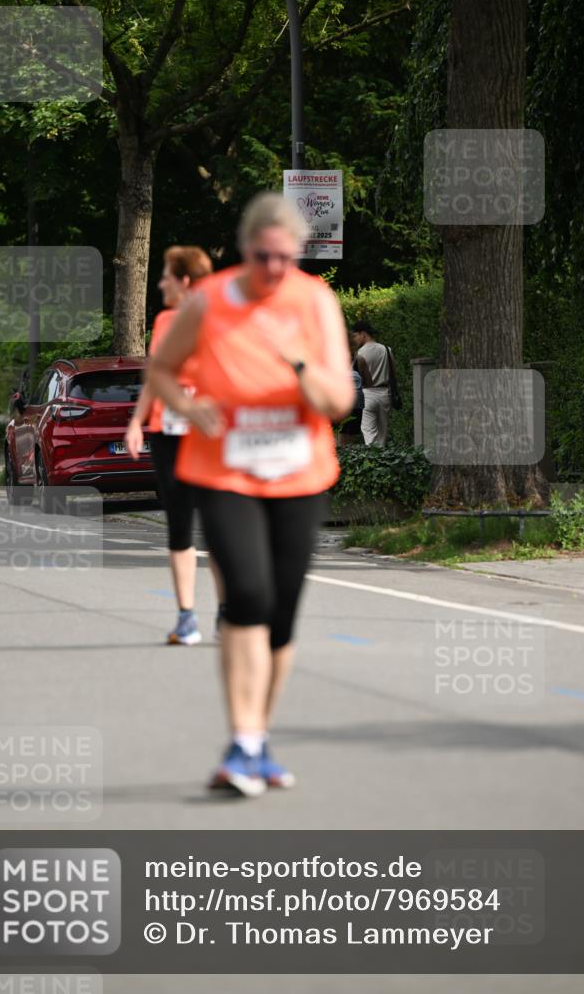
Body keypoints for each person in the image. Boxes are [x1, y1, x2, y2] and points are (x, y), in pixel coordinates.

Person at [147, 193, 354, 797]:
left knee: (281, 614)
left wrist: (298, 364)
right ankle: (242, 741)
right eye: (263, 256)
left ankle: (256, 740)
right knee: (247, 595)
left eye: (286, 258)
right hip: (225, 473)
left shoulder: (314, 301)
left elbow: (340, 403)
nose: (274, 269)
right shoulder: (209, 300)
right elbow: (161, 370)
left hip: (299, 475)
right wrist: (187, 406)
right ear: (244, 250)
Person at [125, 245, 224, 645]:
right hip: (166, 432)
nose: (160, 283)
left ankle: (226, 614)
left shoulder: (220, 320)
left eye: (166, 276)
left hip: (207, 432)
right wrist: (136, 422)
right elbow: (155, 376)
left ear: (184, 281)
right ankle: (186, 617)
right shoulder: (165, 320)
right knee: (179, 524)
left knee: (217, 526)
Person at [350, 319, 397, 447]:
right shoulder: (387, 350)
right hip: (385, 394)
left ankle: (373, 457)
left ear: (363, 334)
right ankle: (382, 456)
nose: (354, 339)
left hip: (367, 394)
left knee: (369, 433)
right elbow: (393, 372)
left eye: (355, 335)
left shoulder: (359, 353)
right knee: (382, 434)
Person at [337, 332, 373, 446]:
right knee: (352, 433)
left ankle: (340, 452)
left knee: (339, 430)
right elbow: (369, 383)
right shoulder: (360, 360)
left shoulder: (333, 359)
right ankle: (350, 453)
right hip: (356, 402)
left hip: (339, 400)